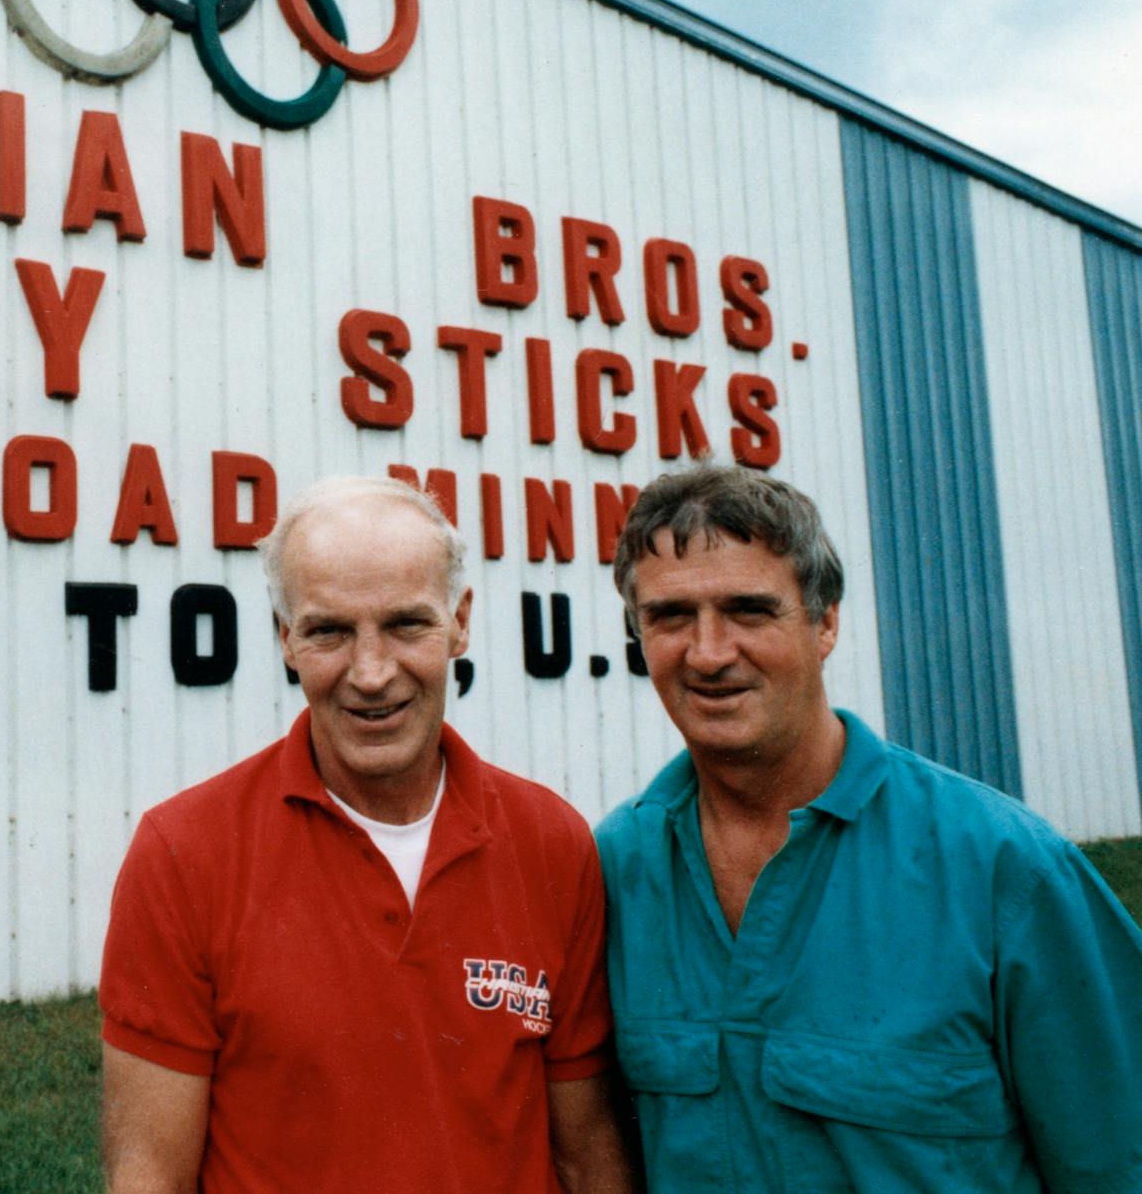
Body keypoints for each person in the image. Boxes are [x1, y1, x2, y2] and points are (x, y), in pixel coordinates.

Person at [600, 460, 1142, 1193]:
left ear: (825, 621)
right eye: (670, 616)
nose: (710, 652)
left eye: (750, 610)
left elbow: (1117, 1160)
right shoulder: (610, 873)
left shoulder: (1004, 871)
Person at [98, 475, 636, 1193]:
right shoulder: (184, 853)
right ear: (285, 637)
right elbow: (150, 1173)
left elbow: (589, 1152)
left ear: (460, 621)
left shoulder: (551, 842)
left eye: (406, 624)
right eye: (329, 630)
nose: (372, 672)